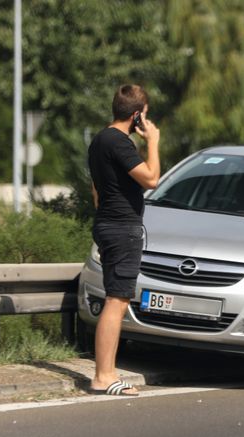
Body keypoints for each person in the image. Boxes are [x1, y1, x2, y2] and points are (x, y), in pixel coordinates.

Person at [87, 84, 160, 396]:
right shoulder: (119, 142)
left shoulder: (100, 140)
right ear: (137, 115)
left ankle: (108, 373)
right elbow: (152, 179)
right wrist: (153, 142)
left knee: (115, 299)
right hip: (121, 228)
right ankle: (104, 376)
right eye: (145, 115)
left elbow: (96, 191)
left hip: (107, 223)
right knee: (116, 301)